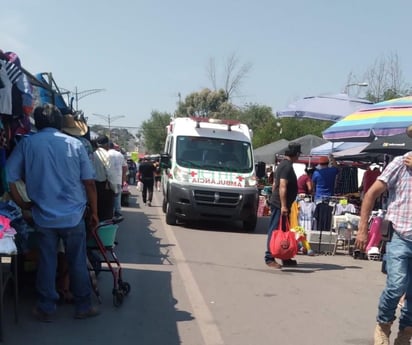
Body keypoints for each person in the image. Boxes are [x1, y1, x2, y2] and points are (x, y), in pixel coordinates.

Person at [6, 103, 99, 321]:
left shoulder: (27, 144)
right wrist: (94, 212)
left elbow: (9, 177)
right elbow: (89, 183)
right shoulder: (75, 145)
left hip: (43, 217)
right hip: (74, 216)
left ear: (37, 123)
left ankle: (46, 307)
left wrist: (23, 204)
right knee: (76, 260)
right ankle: (83, 306)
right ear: (58, 123)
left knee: (47, 261)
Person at [355, 152, 412, 344]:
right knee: (396, 286)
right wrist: (363, 229)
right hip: (400, 236)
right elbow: (371, 193)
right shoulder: (400, 163)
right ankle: (383, 325)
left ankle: (406, 332)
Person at [265, 142, 301, 269]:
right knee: (275, 230)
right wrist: (284, 206)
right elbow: (282, 186)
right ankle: (269, 257)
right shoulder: (286, 167)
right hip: (280, 204)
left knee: (284, 231)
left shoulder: (284, 165)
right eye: (298, 155)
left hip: (280, 203)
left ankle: (284, 255)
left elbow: (275, 184)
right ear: (295, 155)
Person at [93, 135, 116, 221]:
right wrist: (115, 189)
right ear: (106, 144)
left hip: (92, 185)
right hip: (104, 187)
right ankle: (103, 233)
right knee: (106, 215)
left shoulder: (92, 154)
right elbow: (111, 174)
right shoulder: (107, 155)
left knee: (95, 211)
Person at [107, 142, 128, 219]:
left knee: (108, 196)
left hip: (108, 179)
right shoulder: (120, 155)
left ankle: (109, 213)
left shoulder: (106, 154)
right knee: (117, 196)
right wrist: (123, 179)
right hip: (118, 179)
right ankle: (118, 212)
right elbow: (125, 168)